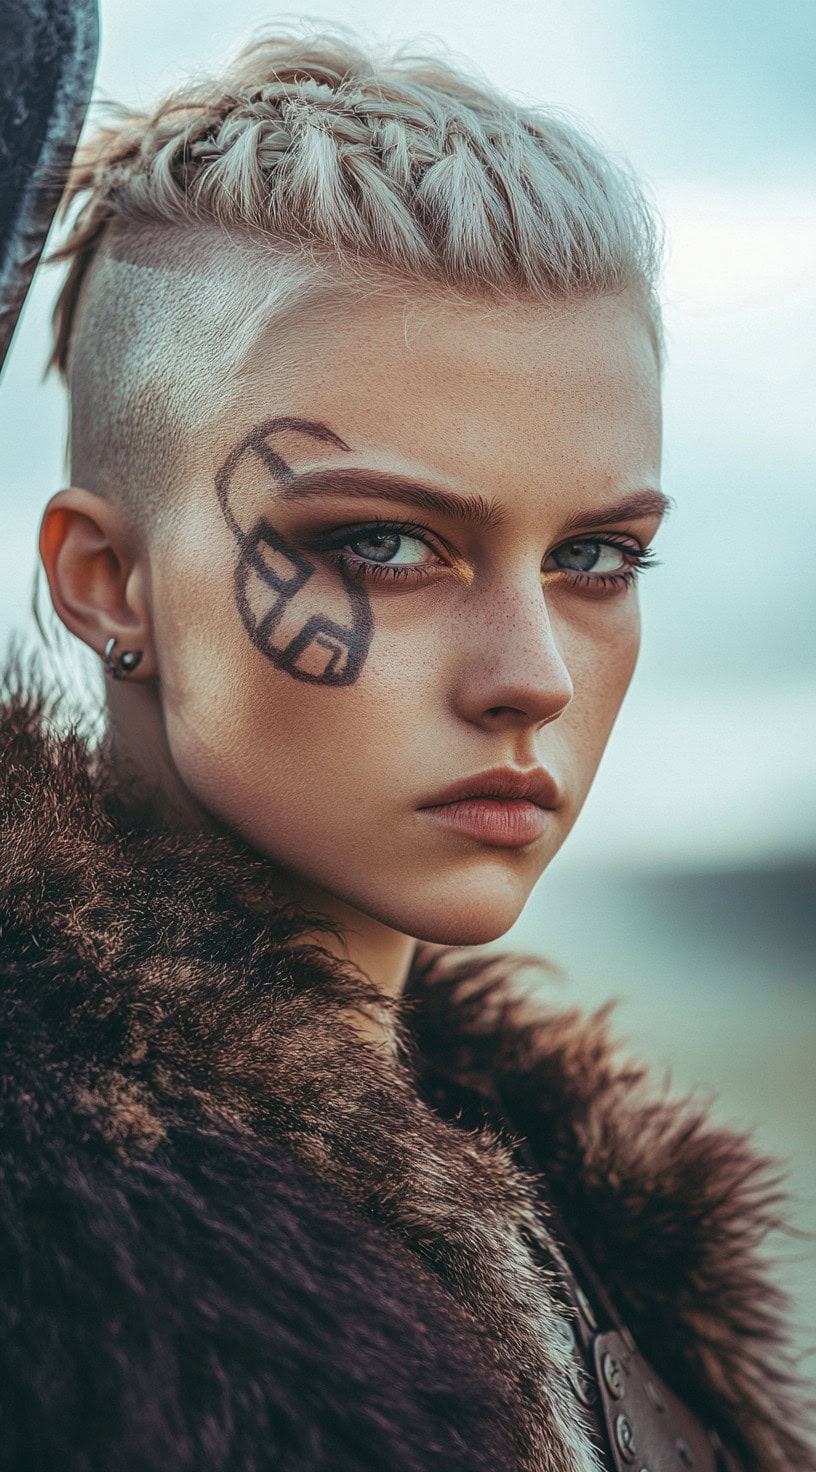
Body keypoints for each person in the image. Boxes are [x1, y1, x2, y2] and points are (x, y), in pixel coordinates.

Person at [0, 26, 813, 1472]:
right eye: (382, 544)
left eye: (599, 556)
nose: (534, 678)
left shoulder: (588, 1229)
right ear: (107, 582)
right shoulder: (62, 1267)